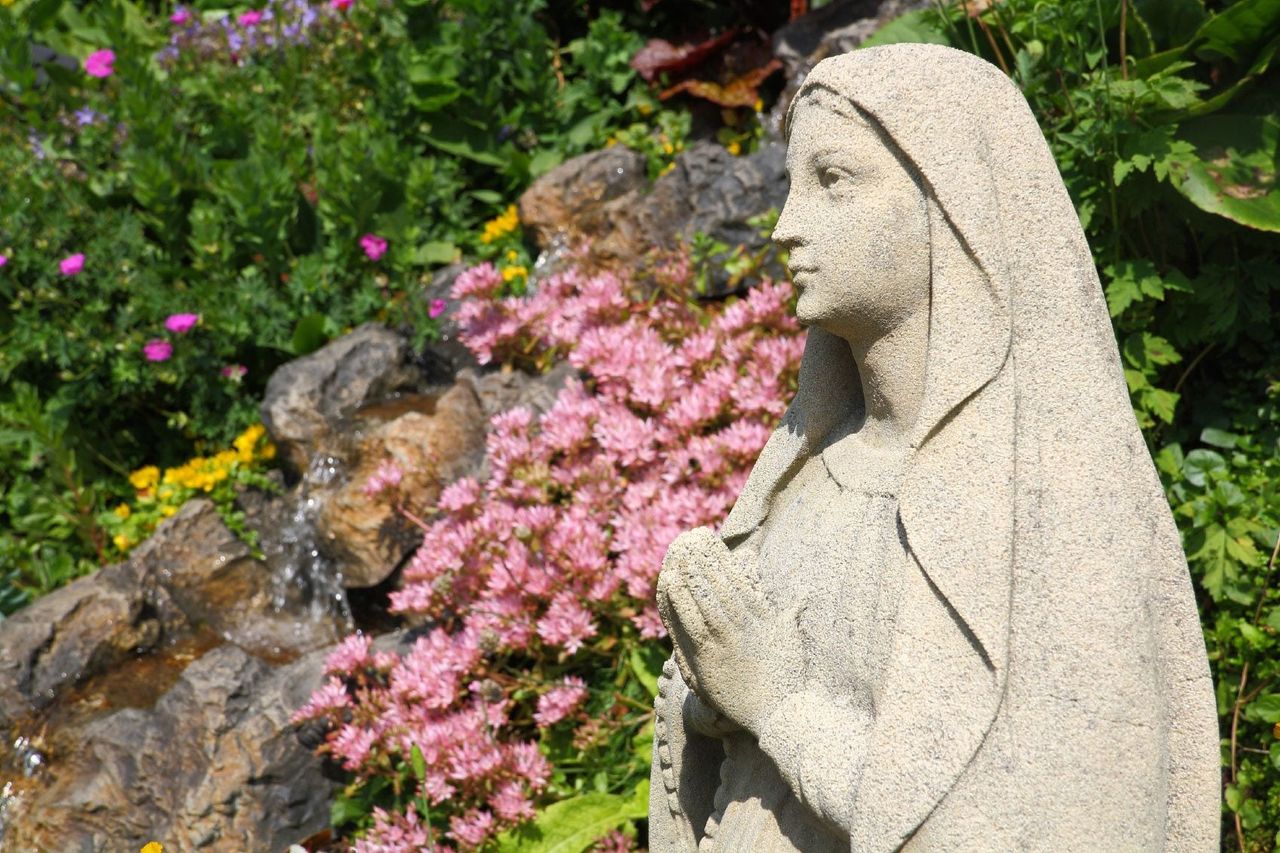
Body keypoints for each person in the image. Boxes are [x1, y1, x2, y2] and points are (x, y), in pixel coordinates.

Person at [650, 43, 1220, 852]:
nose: (785, 227)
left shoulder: (1053, 505)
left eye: (833, 181)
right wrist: (706, 685)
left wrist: (778, 704)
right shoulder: (806, 474)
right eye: (791, 186)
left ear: (950, 201)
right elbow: (733, 738)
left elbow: (1035, 818)